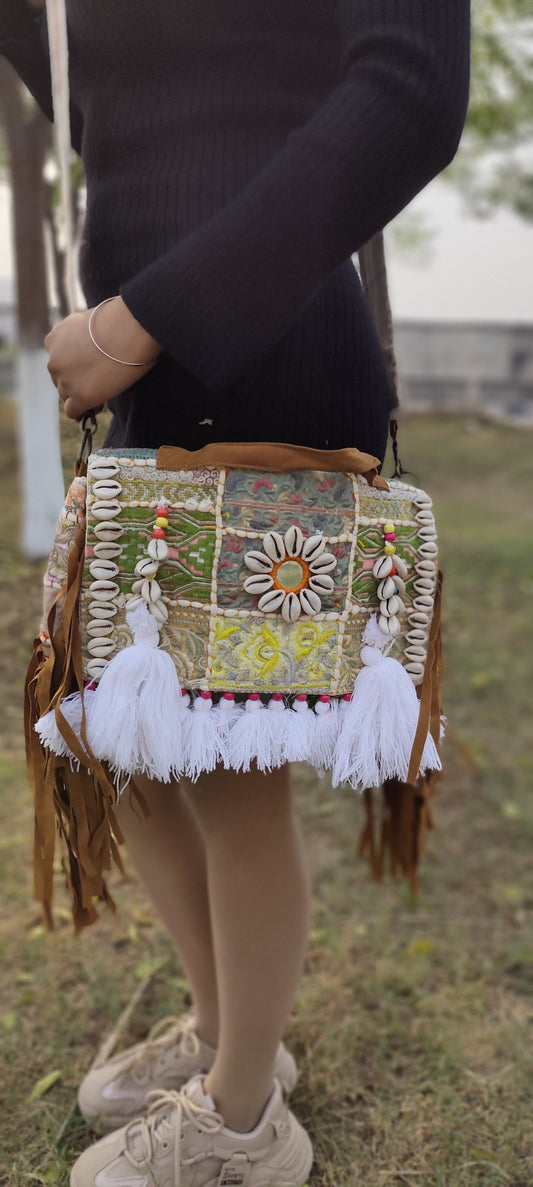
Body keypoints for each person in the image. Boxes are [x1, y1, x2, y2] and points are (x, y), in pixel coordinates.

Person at [2, 2, 470, 1183]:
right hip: (143, 379)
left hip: (255, 355)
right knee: (134, 739)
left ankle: (244, 1118)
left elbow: (408, 94)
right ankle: (222, 1038)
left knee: (224, 764)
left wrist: (140, 319)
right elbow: (129, 104)